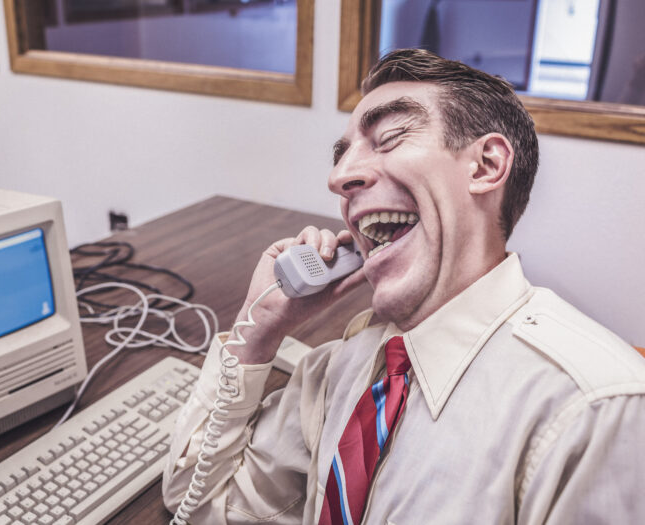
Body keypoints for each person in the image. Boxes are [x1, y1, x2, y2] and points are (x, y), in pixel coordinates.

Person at [162, 49, 645, 524]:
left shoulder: (596, 412)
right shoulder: (339, 370)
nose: (338, 177)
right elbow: (202, 504)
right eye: (342, 154)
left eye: (389, 137)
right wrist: (259, 327)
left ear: (485, 165)